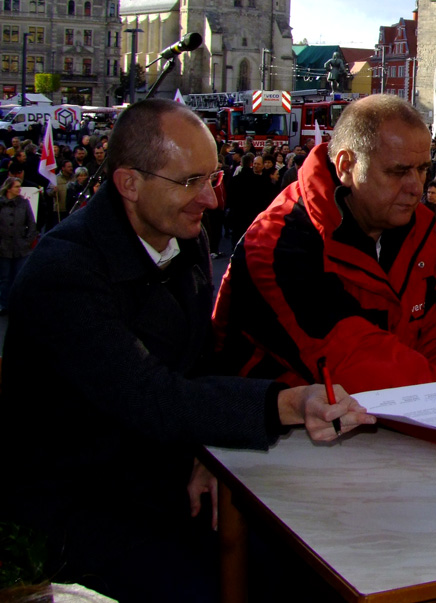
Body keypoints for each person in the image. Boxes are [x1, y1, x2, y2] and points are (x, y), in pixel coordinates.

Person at [0, 99, 371, 603]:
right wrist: (285, 403)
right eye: (190, 182)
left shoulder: (182, 239)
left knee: (298, 567)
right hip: (79, 504)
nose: (212, 200)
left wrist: (204, 451)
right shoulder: (64, 273)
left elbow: (199, 364)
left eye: (212, 178)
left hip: (166, 479)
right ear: (130, 184)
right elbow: (147, 393)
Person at [212, 95, 436, 472]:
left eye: (422, 169)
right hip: (271, 456)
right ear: (346, 167)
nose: (416, 186)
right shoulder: (280, 242)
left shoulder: (419, 229)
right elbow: (354, 359)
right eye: (397, 171)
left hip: (389, 441)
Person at [0, 176, 36, 315]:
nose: (19, 189)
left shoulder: (24, 203)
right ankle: (4, 304)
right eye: (16, 187)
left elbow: (31, 224)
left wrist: (27, 241)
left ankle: (17, 304)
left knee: (19, 277)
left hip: (21, 247)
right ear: (9, 188)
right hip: (3, 247)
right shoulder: (1, 204)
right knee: (4, 278)